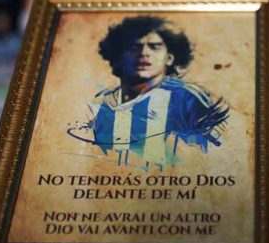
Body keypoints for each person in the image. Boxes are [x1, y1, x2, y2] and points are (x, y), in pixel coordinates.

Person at [85, 16, 229, 169]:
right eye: (134, 47)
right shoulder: (99, 104)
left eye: (155, 47)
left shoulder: (188, 99)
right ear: (118, 57)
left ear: (169, 58)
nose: (144, 53)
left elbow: (219, 156)